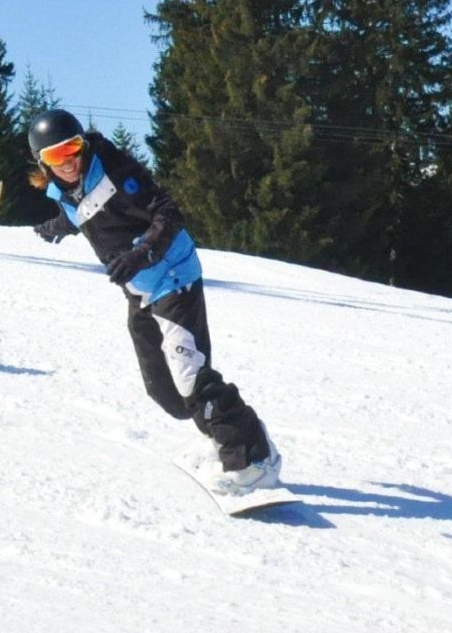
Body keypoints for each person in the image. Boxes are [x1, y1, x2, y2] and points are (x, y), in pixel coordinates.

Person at [26, 109, 278, 494]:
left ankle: (254, 459)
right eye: (57, 156)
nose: (69, 162)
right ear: (43, 161)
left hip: (173, 275)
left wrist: (141, 253)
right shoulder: (63, 191)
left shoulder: (113, 170)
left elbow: (168, 213)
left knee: (190, 376)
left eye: (74, 148)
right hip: (140, 290)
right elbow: (80, 215)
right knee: (167, 393)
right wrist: (54, 227)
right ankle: (223, 437)